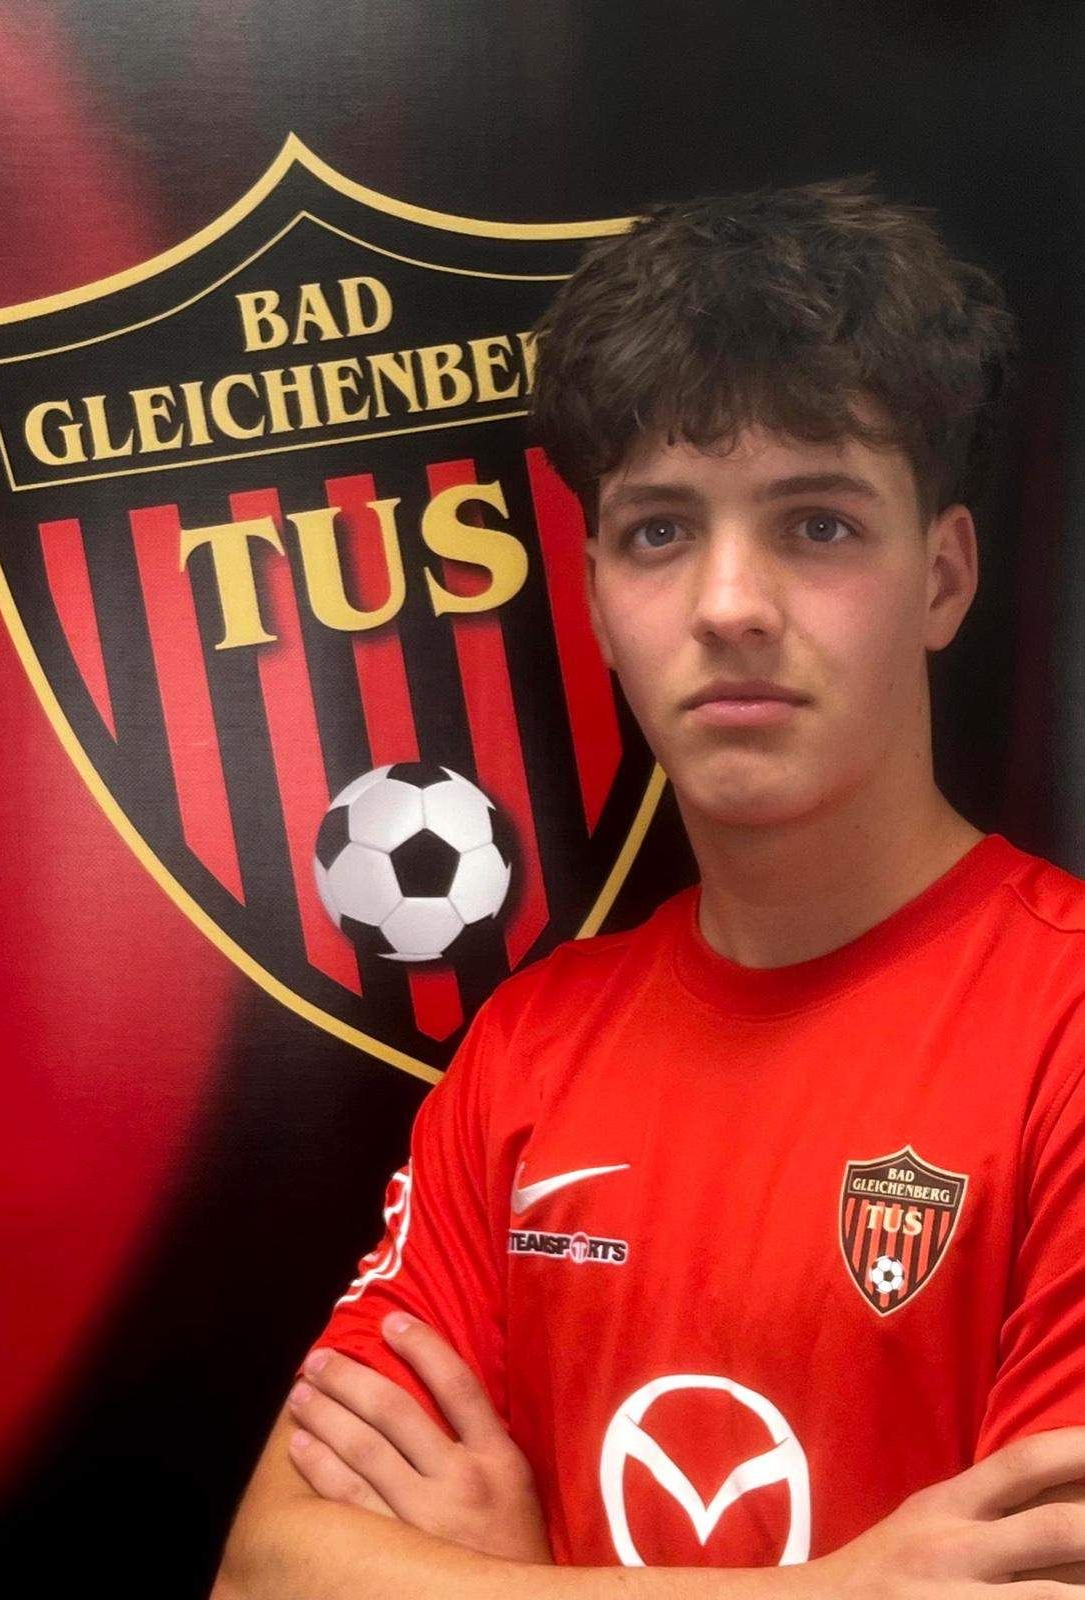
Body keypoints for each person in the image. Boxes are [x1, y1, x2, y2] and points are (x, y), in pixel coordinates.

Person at [210, 174, 1085, 1598]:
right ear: (600, 591)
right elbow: (266, 1573)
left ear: (942, 578)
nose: (730, 603)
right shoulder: (528, 1051)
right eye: (662, 531)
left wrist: (527, 1576)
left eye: (817, 524)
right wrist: (832, 1594)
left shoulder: (1066, 1027)